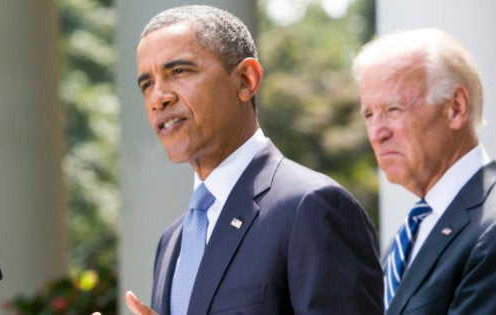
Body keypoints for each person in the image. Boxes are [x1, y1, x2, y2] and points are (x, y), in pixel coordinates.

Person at [109, 5, 383, 315]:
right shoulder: (173, 240)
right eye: (147, 84)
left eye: (179, 72)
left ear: (245, 80)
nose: (159, 97)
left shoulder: (311, 207)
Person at [352, 28, 496, 315]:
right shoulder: (415, 230)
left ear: (456, 108)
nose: (377, 133)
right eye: (369, 114)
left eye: (393, 109)